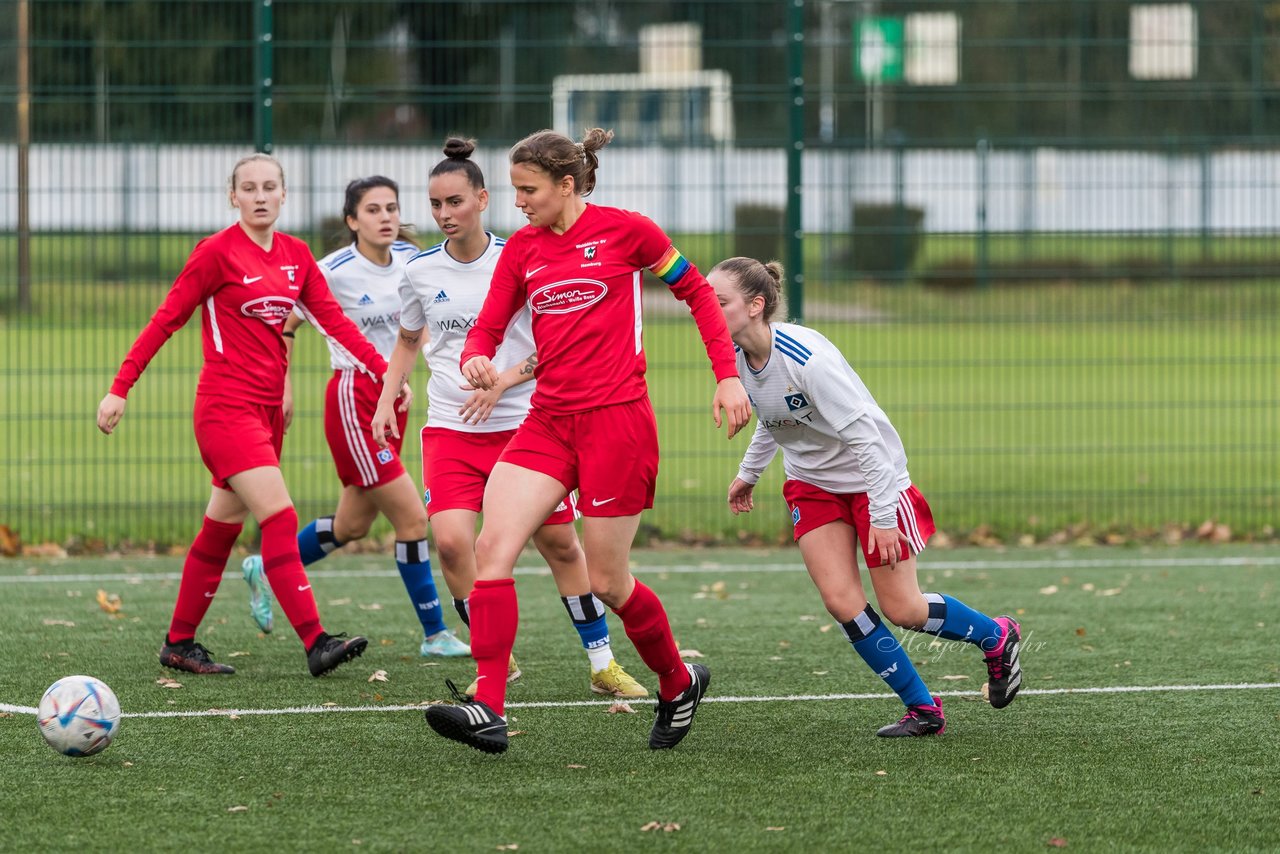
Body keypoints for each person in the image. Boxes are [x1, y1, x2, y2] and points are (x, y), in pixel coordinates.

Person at [412, 128, 752, 755]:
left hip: (617, 424)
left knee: (608, 581)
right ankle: (488, 705)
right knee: (492, 549)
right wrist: (478, 360)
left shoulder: (630, 231)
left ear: (566, 185)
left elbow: (699, 293)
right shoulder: (522, 252)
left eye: (527, 190)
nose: (518, 202)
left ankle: (677, 682)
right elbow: (487, 326)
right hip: (546, 422)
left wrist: (728, 376)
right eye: (513, 190)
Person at [371, 138, 647, 700]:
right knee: (450, 543)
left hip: (526, 423)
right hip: (450, 427)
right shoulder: (419, 271)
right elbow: (406, 341)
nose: (445, 215)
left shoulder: (521, 254)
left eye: (455, 202)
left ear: (481, 198)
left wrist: (502, 382)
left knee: (562, 548)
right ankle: (495, 657)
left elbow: (556, 347)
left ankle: (602, 663)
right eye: (435, 204)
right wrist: (386, 396)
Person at [95, 153, 384, 678]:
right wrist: (120, 388)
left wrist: (385, 373)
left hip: (268, 414)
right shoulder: (216, 253)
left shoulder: (297, 255)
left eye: (269, 186)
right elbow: (166, 319)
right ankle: (316, 641)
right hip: (225, 411)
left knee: (222, 526)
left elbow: (335, 323)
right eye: (248, 187)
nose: (259, 195)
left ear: (283, 194)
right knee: (280, 515)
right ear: (234, 197)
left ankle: (179, 643)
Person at [713, 257, 1023, 737]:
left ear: (755, 306)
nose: (709, 313)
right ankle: (924, 709)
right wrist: (748, 473)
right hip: (812, 486)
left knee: (903, 609)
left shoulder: (805, 359)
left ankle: (996, 636)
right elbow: (774, 416)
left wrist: (880, 516)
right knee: (842, 602)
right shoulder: (735, 357)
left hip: (872, 481)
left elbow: (869, 441)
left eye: (719, 303)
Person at [238, 176, 471, 659]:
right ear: (352, 221)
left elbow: (420, 324)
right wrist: (283, 384)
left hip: (395, 399)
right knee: (412, 518)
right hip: (354, 400)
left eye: (391, 208)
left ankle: (268, 564)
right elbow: (285, 322)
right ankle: (435, 633)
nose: (385, 217)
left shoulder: (412, 259)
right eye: (372, 210)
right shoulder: (333, 270)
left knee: (351, 526)